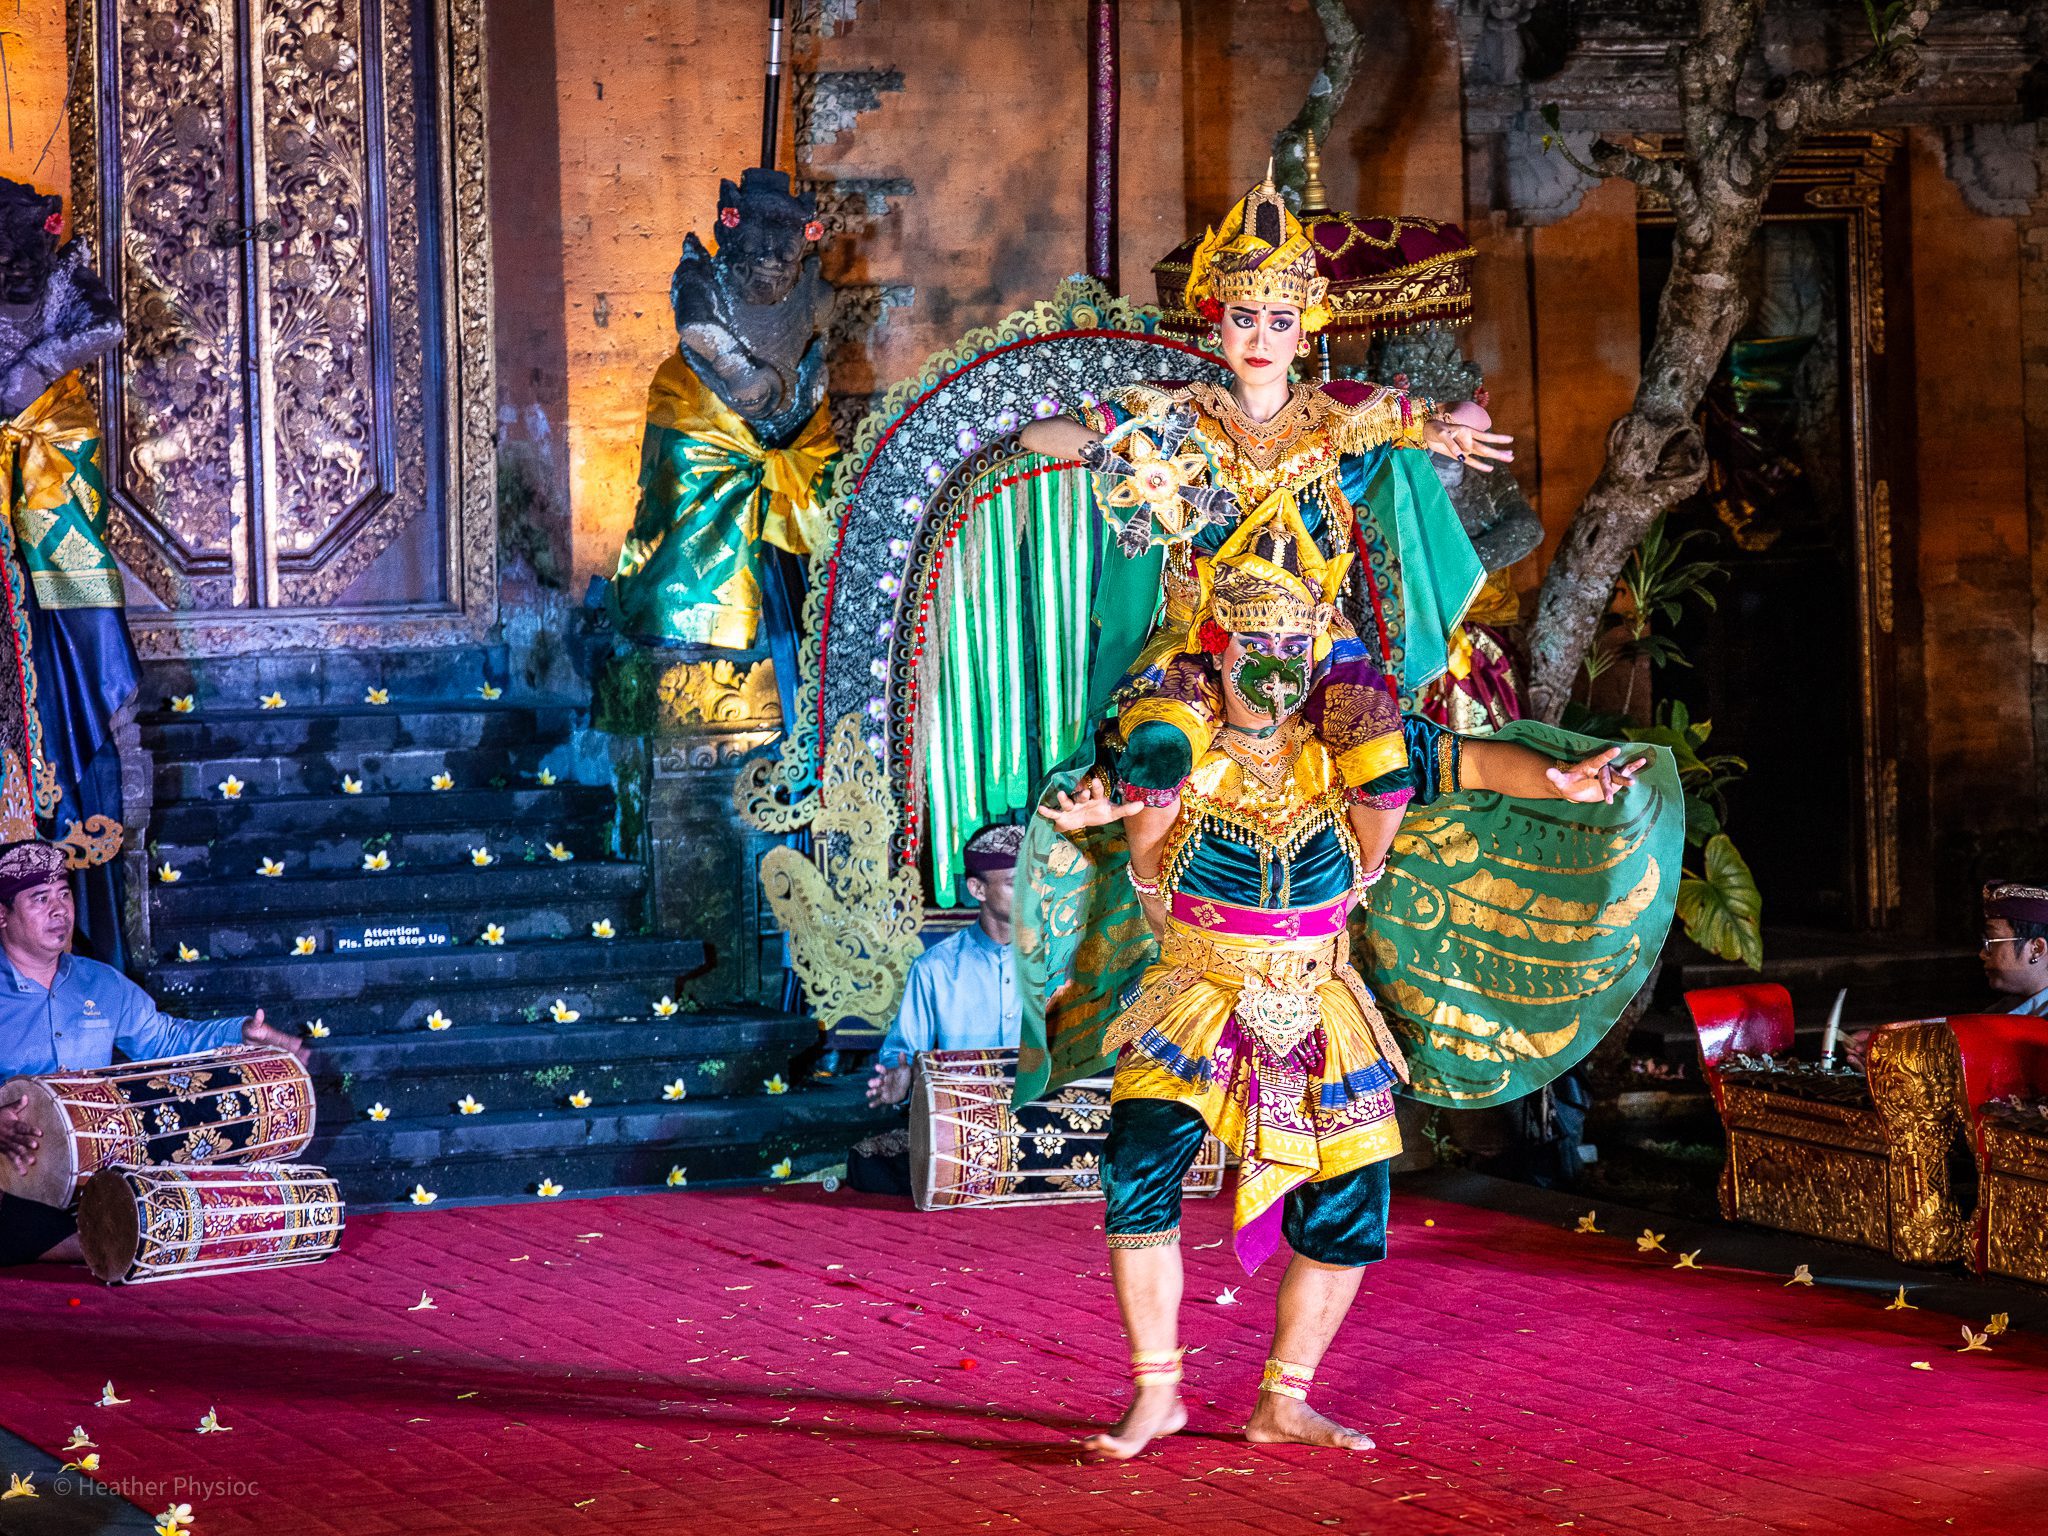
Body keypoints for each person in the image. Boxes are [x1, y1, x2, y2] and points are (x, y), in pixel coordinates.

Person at [1036, 504, 1664, 1458]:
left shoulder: (1349, 744)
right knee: (1139, 1175)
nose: (1276, 664)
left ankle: (1283, 1399)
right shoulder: (1176, 740)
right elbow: (1115, 794)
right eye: (1256, 642)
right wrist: (1105, 801)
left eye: (1294, 642)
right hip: (1199, 994)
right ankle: (1155, 1394)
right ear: (1219, 643)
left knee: (1349, 1203)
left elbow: (1478, 760)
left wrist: (1563, 781)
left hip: (1322, 999)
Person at [0, 839, 306, 1265]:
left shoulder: (100, 983)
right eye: (39, 898)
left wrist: (240, 1034)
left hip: (97, 1167)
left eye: (65, 894)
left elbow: (165, 1040)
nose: (60, 910)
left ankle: (101, 1234)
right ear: (2, 914)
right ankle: (98, 1239)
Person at [864, 824, 1024, 1111]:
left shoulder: (1059, 961)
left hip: (1044, 1121)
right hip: (963, 1117)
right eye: (1016, 882)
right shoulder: (934, 969)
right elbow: (902, 1051)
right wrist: (902, 1075)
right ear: (978, 889)